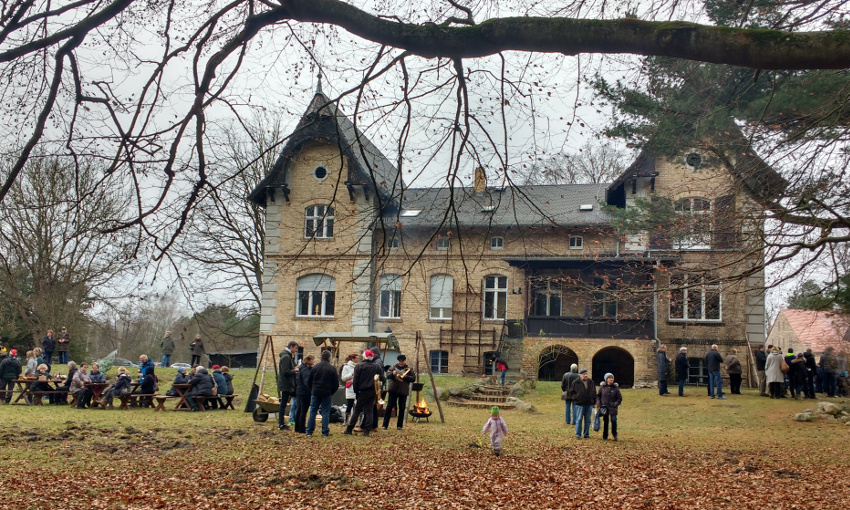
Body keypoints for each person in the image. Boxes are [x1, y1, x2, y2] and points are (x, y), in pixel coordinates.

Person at [343, 350, 385, 437]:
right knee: (370, 411)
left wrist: (356, 392)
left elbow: (356, 381)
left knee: (357, 411)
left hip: (362, 391)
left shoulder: (359, 366)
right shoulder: (376, 367)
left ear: (364, 357)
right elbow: (383, 379)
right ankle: (367, 431)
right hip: (372, 392)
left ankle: (349, 429)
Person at [307, 350, 340, 437]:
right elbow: (336, 383)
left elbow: (309, 381)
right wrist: (331, 392)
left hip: (315, 391)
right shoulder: (332, 368)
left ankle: (309, 431)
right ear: (329, 358)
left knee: (313, 411)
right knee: (325, 412)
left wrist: (312, 390)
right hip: (326, 392)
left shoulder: (315, 367)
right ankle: (325, 431)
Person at [383, 354, 415, 430]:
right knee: (389, 407)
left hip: (403, 390)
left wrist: (405, 376)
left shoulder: (409, 369)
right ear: (397, 361)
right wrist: (392, 374)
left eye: (402, 361)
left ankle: (399, 425)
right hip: (393, 389)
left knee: (402, 407)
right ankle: (385, 424)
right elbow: (387, 376)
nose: (401, 363)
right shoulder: (393, 367)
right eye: (400, 361)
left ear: (405, 361)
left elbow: (413, 378)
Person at [277, 341, 299, 430]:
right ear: (291, 347)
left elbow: (291, 366)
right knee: (283, 404)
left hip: (288, 383)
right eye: (296, 348)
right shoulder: (286, 357)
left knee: (285, 402)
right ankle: (281, 423)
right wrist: (295, 371)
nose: (296, 350)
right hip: (286, 384)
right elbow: (285, 371)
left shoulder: (288, 356)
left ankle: (284, 422)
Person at [569, 368, 596, 439]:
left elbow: (594, 392)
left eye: (586, 374)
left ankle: (586, 434)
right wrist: (576, 397)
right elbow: (571, 392)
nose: (585, 375)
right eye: (584, 374)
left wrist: (594, 401)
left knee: (587, 420)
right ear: (580, 375)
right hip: (579, 403)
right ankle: (578, 434)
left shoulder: (591, 382)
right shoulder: (576, 382)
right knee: (579, 419)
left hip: (589, 403)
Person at [596, 373, 623, 441]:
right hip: (604, 407)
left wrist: (615, 404)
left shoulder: (615, 388)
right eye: (609, 378)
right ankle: (605, 436)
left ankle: (614, 434)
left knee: (613, 420)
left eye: (612, 378)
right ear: (606, 379)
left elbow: (619, 398)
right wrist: (599, 404)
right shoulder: (602, 387)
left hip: (613, 408)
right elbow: (598, 396)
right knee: (606, 422)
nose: (611, 379)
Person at [293, 355, 314, 434]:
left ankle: (297, 427)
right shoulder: (305, 370)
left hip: (299, 390)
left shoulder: (301, 368)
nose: (313, 362)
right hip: (304, 392)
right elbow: (307, 381)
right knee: (303, 410)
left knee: (299, 409)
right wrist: (310, 388)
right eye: (312, 360)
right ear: (309, 361)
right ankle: (301, 428)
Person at [340, 353, 358, 426]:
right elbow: (343, 378)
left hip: (357, 388)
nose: (358, 359)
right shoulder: (346, 367)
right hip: (350, 388)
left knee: (358, 405)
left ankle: (357, 421)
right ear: (352, 359)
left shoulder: (358, 366)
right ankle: (346, 421)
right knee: (349, 405)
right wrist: (351, 374)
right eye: (356, 358)